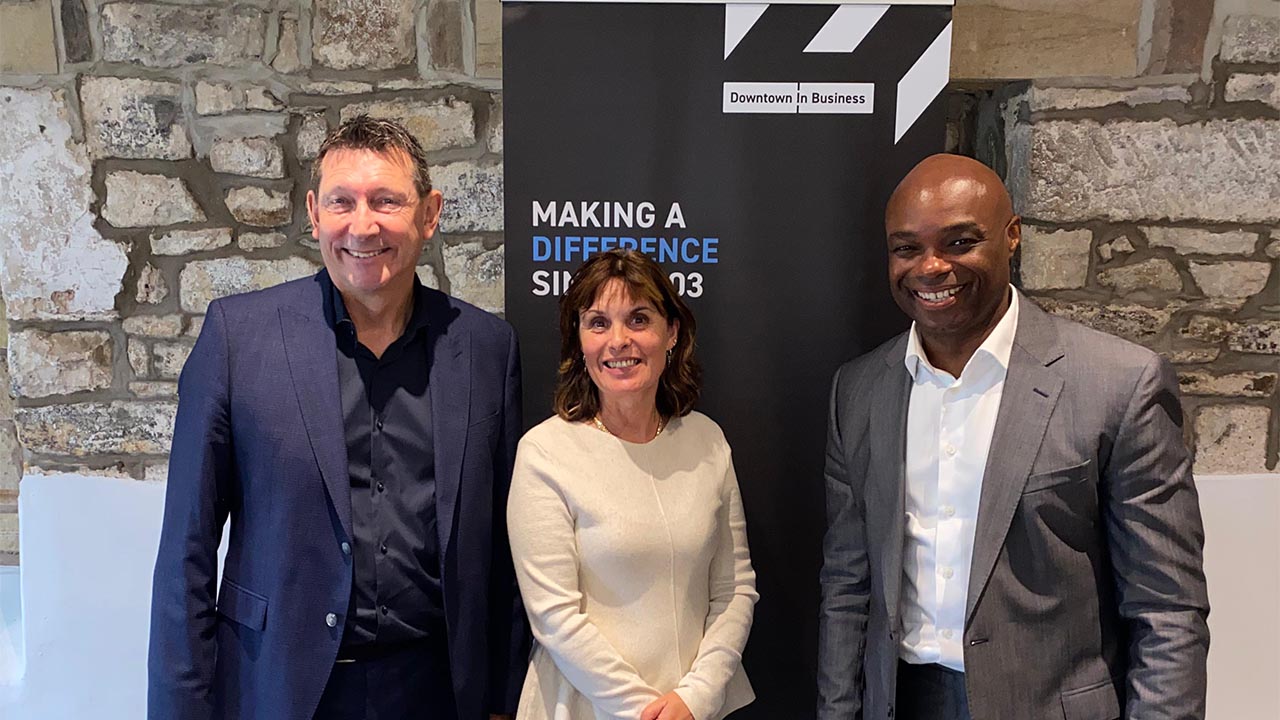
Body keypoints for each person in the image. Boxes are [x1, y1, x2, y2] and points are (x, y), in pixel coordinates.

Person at [148, 115, 530, 720]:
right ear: (314, 213)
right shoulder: (236, 339)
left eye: (386, 201)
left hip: (439, 692)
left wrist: (507, 700)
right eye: (341, 202)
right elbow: (185, 552)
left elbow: (507, 551)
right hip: (282, 689)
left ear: (430, 214)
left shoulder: (487, 349)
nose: (362, 225)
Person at [816, 154, 1209, 720]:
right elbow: (847, 588)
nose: (931, 267)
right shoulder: (857, 391)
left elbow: (1167, 610)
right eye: (906, 248)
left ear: (1012, 236)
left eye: (959, 242)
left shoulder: (1120, 384)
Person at [507, 250, 757, 720]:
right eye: (598, 323)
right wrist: (643, 711)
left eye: (638, 319)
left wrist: (696, 698)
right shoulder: (544, 453)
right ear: (579, 339)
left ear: (672, 332)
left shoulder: (707, 441)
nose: (618, 341)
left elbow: (734, 589)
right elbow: (554, 617)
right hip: (582, 709)